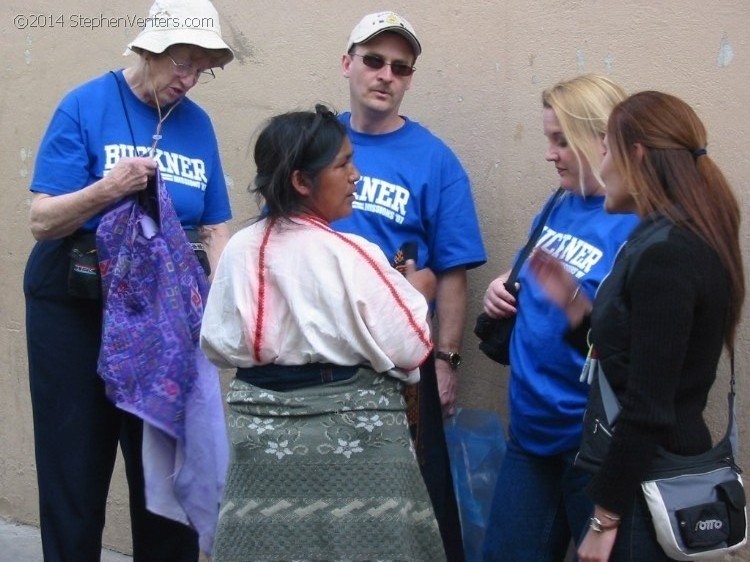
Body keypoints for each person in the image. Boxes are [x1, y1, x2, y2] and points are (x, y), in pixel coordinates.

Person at [23, 0, 233, 560]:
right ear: (148, 49)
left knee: (163, 463)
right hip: (75, 306)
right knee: (75, 464)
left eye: (201, 68)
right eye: (182, 63)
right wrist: (108, 189)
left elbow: (215, 225)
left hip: (159, 317)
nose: (190, 79)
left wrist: (221, 309)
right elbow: (42, 220)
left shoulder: (199, 124)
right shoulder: (85, 104)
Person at [199, 104, 447, 562]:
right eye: (343, 164)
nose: (356, 175)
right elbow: (412, 347)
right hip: (357, 446)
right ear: (300, 181)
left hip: (259, 439)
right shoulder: (352, 253)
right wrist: (416, 291)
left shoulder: (239, 250)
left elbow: (217, 342)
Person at [529, 90, 745, 561]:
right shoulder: (662, 239)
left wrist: (604, 519)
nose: (602, 166)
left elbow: (647, 407)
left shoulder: (668, 254)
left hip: (646, 496)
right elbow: (633, 357)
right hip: (643, 483)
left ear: (637, 156)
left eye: (606, 150)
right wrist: (574, 309)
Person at [333, 12, 487, 558]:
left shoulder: (435, 160)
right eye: (373, 61)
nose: (385, 75)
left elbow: (450, 273)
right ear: (348, 63)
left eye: (401, 67)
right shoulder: (314, 143)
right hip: (321, 353)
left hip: (402, 359)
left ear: (410, 79)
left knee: (410, 500)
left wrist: (446, 362)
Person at [481, 74, 639, 561]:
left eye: (560, 140)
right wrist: (503, 286)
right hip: (529, 435)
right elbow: (537, 272)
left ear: (602, 139)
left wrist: (571, 299)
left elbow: (630, 349)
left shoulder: (635, 221)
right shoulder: (559, 204)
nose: (550, 153)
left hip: (590, 448)